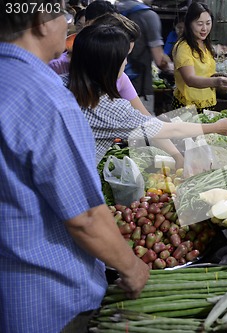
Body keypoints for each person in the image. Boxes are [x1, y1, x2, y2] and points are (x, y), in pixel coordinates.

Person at [0, 2, 149, 333]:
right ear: (42, 21)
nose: (69, 26)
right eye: (65, 18)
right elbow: (85, 218)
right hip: (47, 297)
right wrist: (131, 267)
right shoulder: (48, 99)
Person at [66, 24, 227, 165]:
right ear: (108, 65)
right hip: (77, 181)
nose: (126, 62)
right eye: (123, 58)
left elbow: (151, 125)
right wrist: (215, 127)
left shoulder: (60, 83)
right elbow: (166, 129)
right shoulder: (110, 108)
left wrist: (177, 156)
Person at [172, 2, 227, 111]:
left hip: (208, 103)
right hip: (187, 106)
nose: (204, 28)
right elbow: (190, 79)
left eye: (208, 23)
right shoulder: (184, 47)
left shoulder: (205, 44)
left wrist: (217, 77)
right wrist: (216, 82)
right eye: (199, 24)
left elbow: (205, 73)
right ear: (189, 23)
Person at [116, 0, 174, 115]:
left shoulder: (116, 10)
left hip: (113, 85)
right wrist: (173, 67)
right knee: (145, 128)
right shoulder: (148, 15)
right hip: (139, 88)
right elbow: (160, 61)